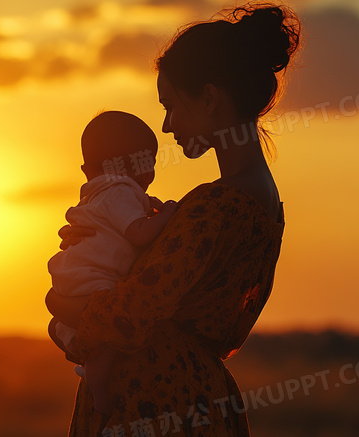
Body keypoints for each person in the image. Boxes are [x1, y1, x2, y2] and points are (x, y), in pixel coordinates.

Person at [45, 3, 299, 436]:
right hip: (193, 398)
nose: (165, 126)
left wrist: (58, 301)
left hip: (157, 402)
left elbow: (128, 313)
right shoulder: (264, 205)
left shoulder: (215, 206)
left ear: (209, 97)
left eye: (171, 106)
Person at [47, 110, 178, 415]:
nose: (151, 174)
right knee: (108, 333)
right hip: (93, 279)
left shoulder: (97, 196)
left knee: (82, 326)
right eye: (149, 163)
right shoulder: (121, 192)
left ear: (85, 170)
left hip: (71, 275)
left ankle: (70, 338)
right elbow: (138, 233)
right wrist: (170, 217)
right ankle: (99, 384)